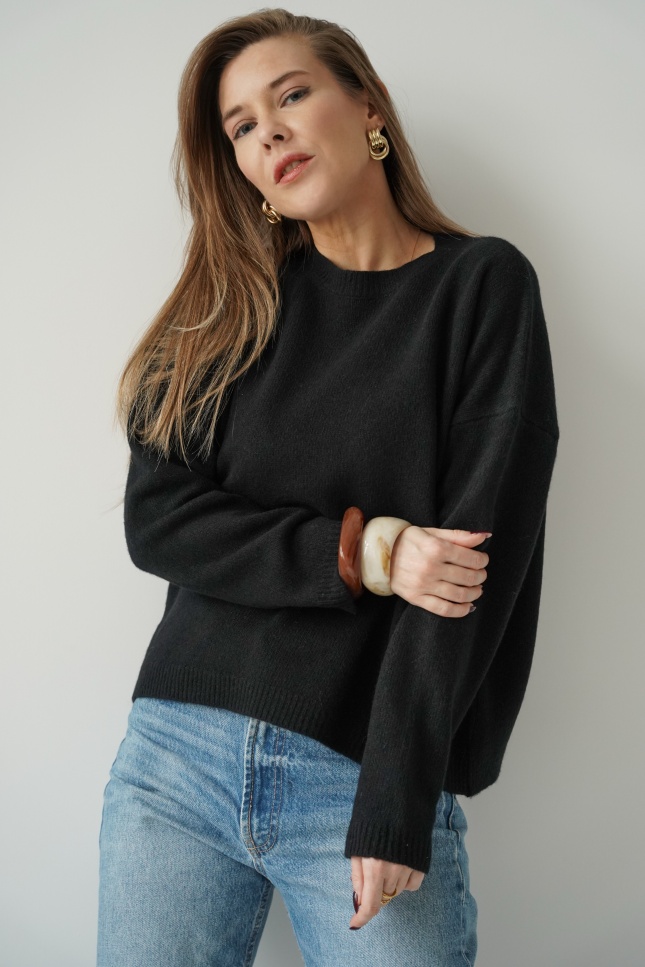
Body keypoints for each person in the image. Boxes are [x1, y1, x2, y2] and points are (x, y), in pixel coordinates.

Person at [97, 7, 559, 966]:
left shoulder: (481, 286)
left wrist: (396, 796)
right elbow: (159, 520)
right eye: (240, 126)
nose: (268, 132)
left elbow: (474, 566)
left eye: (292, 95)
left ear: (369, 105)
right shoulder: (234, 305)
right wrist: (366, 551)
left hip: (358, 773)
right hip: (176, 755)